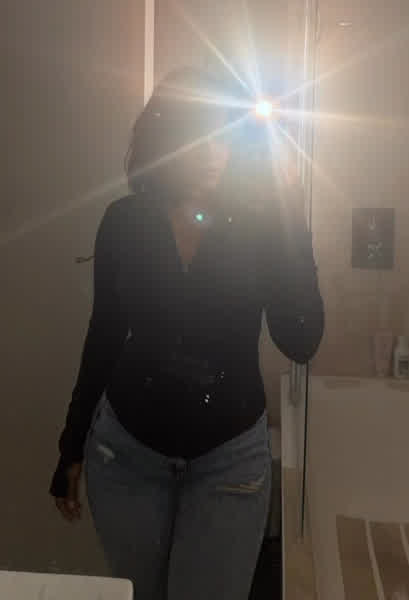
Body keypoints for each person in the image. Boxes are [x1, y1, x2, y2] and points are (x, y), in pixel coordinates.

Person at [49, 66, 324, 600]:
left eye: (224, 134)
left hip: (229, 465)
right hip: (125, 457)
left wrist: (290, 207)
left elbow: (301, 340)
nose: (209, 152)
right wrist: (71, 446)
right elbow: (104, 336)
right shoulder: (125, 222)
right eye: (194, 133)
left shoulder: (265, 227)